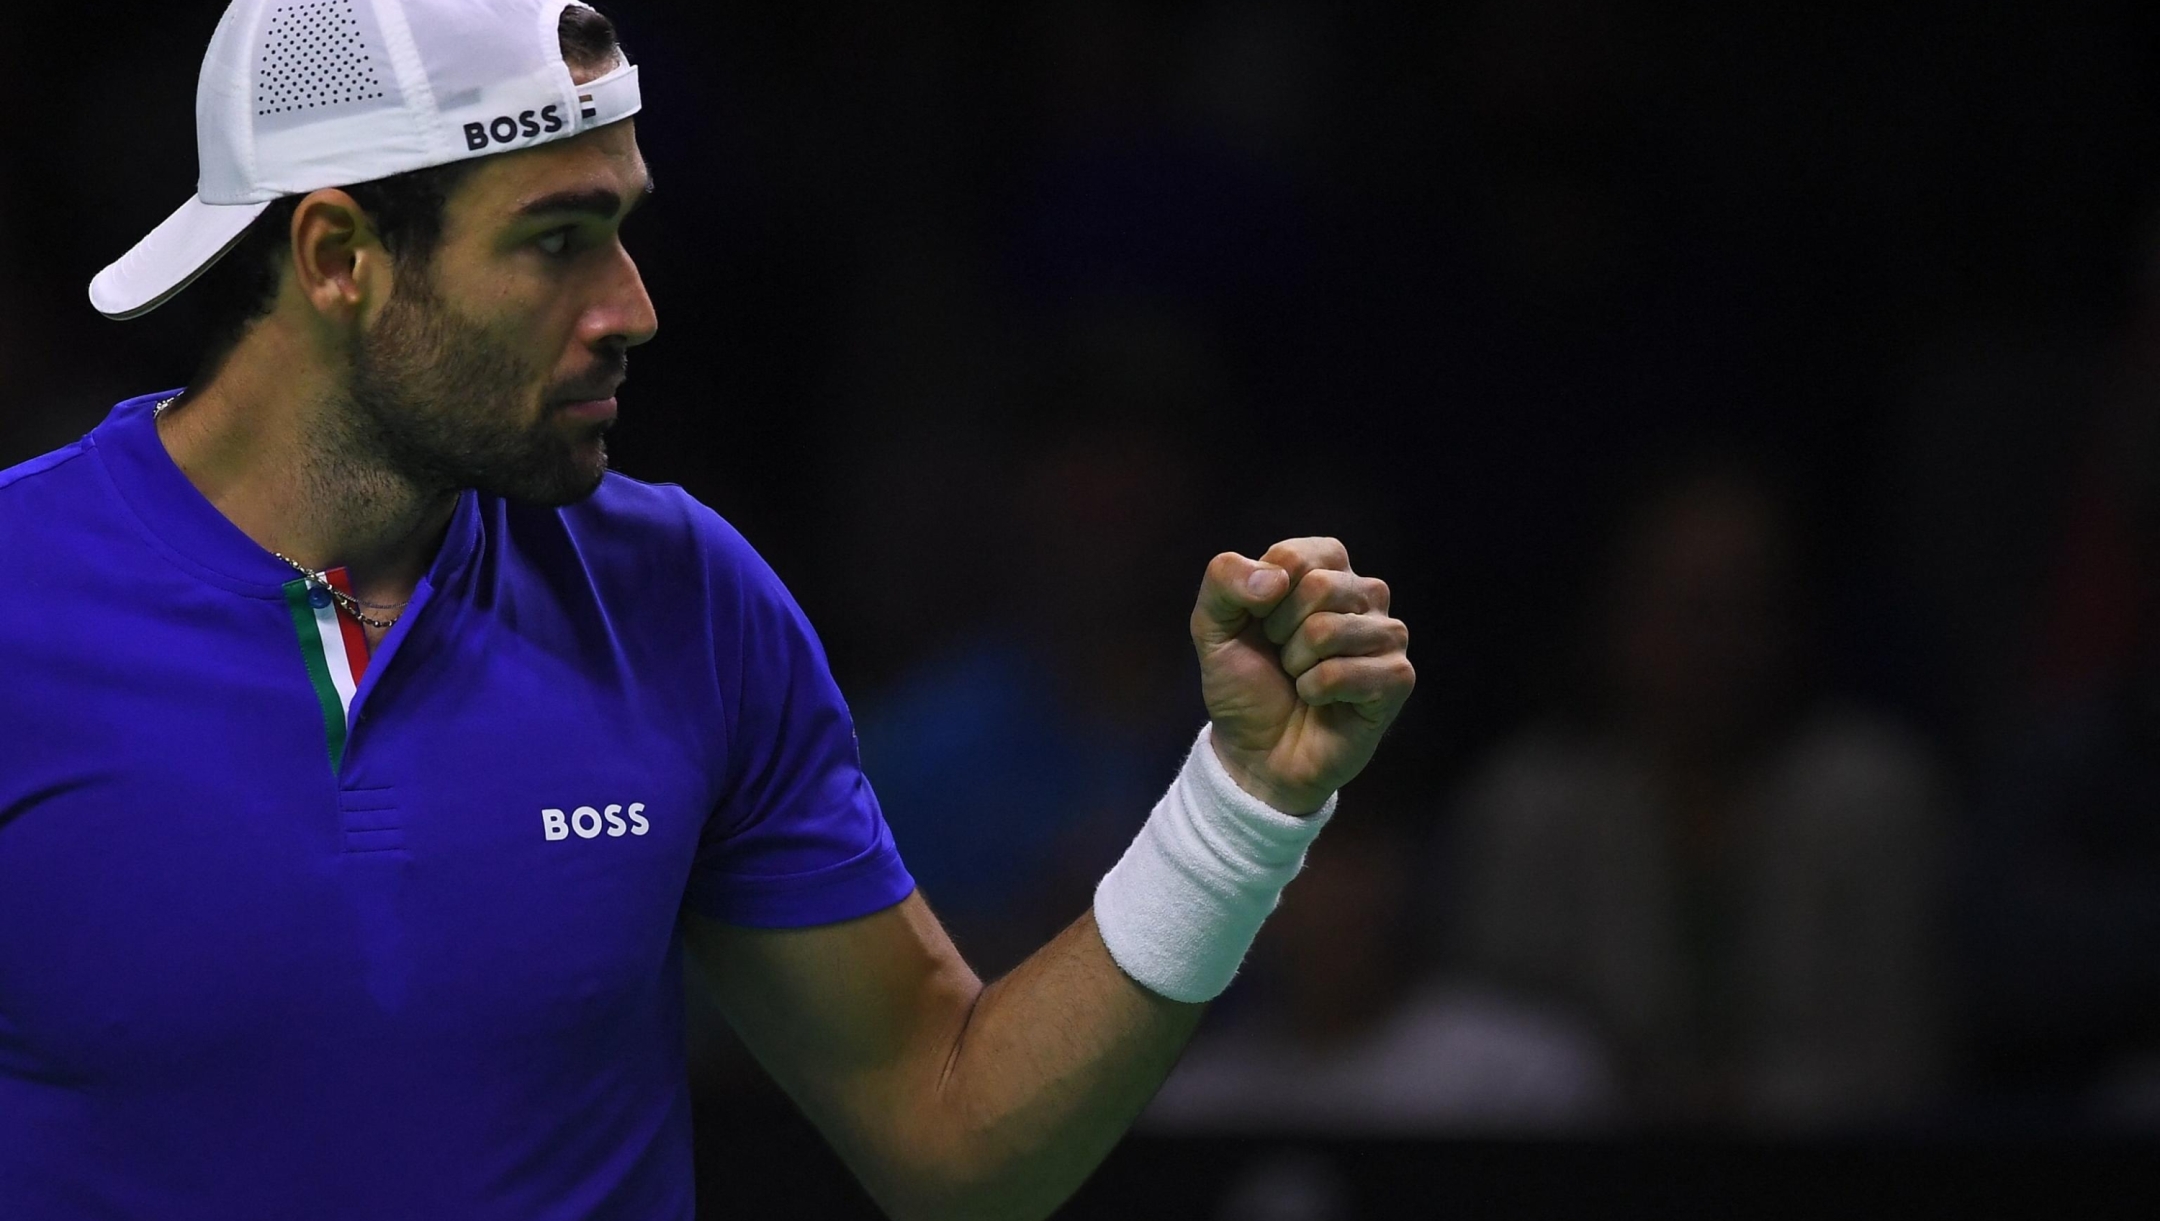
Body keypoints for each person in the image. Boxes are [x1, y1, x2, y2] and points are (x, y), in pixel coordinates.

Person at [0, 3, 1415, 1220]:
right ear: (337, 259)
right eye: (559, 240)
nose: (633, 306)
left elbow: (957, 1139)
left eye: (623, 226)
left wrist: (1246, 804)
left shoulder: (683, 595)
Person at [1444, 458, 1944, 1127]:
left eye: (1739, 606)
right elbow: (1492, 1051)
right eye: (1681, 606)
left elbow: (1904, 1054)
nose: (1707, 644)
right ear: (1615, 615)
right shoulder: (1533, 805)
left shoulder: (1872, 797)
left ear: (1789, 621)